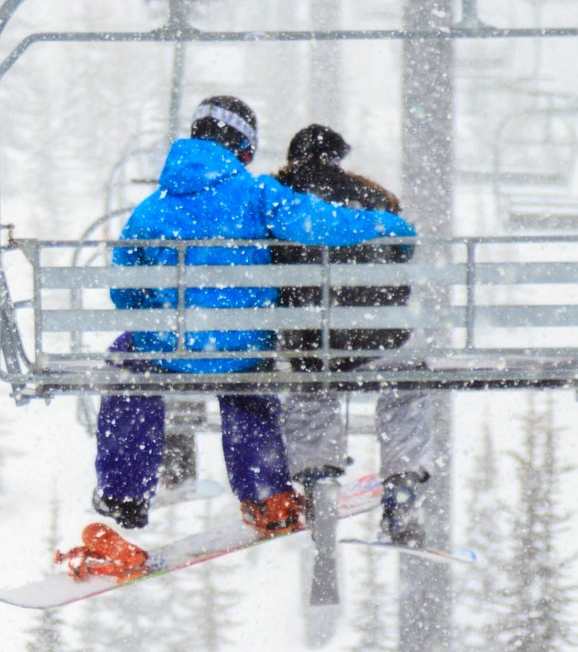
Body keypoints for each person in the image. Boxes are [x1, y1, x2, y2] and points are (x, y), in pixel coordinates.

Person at [62, 96, 415, 582]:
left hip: (172, 347)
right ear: (244, 150)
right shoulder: (258, 195)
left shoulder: (151, 208)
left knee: (129, 369)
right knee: (249, 388)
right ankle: (265, 494)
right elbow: (319, 225)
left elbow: (127, 288)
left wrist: (155, 321)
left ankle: (125, 493)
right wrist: (388, 226)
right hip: (242, 347)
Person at [270, 123, 439, 543]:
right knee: (406, 385)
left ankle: (318, 483)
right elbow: (405, 250)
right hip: (379, 336)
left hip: (311, 339)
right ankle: (401, 493)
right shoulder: (377, 200)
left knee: (312, 383)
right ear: (339, 158)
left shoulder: (277, 201)